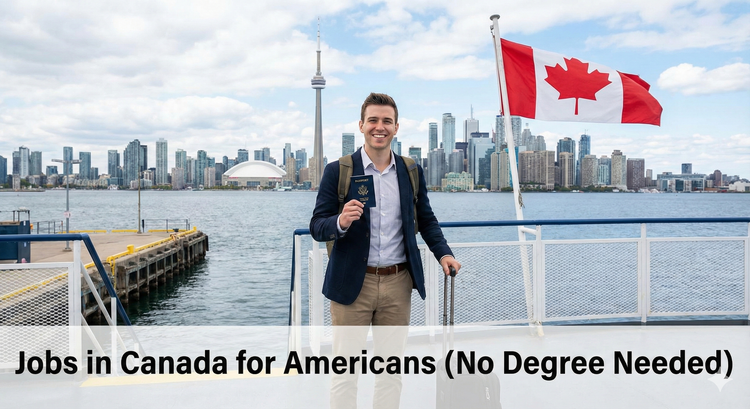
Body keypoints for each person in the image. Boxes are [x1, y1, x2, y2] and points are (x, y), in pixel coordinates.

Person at [310, 92, 461, 408]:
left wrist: (443, 253)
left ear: (396, 127)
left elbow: (427, 220)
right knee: (345, 373)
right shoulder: (339, 170)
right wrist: (340, 221)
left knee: (391, 372)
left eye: (387, 121)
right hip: (352, 283)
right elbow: (317, 226)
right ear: (362, 125)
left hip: (397, 284)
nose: (380, 127)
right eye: (374, 120)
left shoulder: (409, 171)